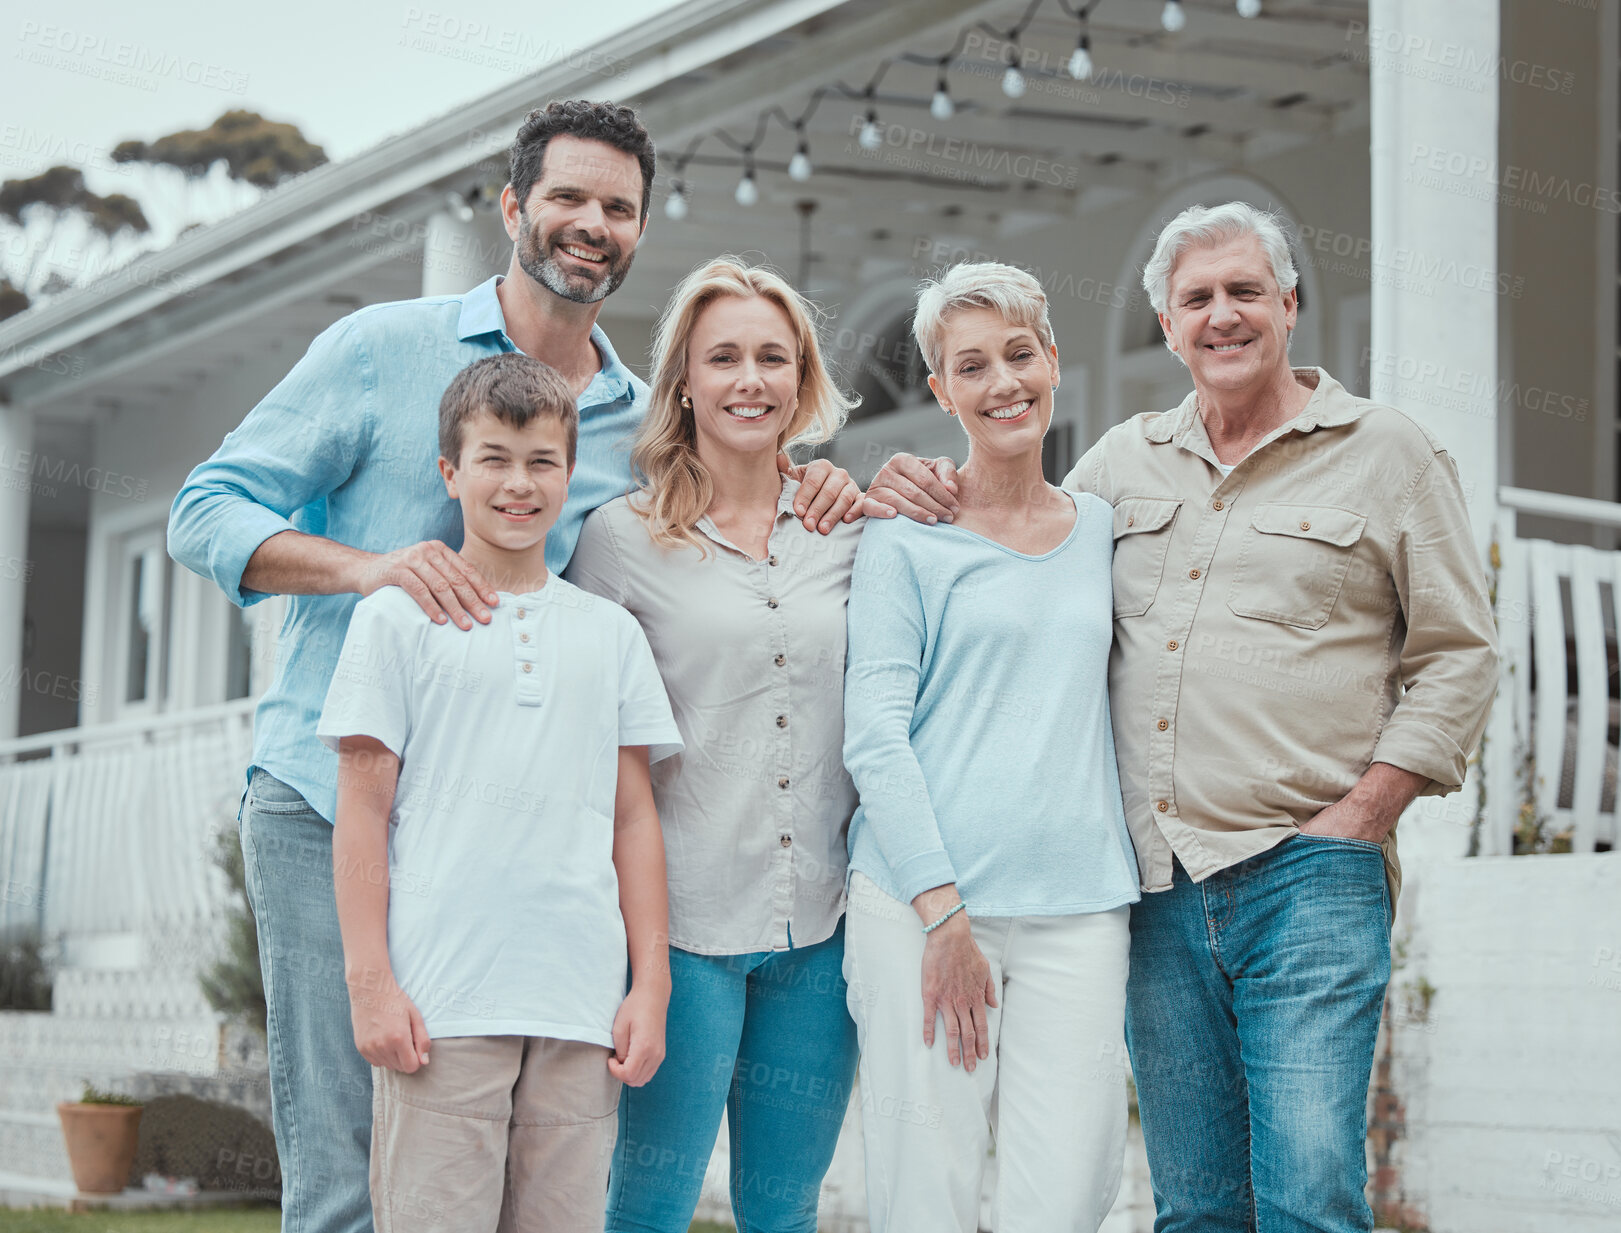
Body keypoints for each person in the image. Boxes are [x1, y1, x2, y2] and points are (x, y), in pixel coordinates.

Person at [166, 99, 859, 1233]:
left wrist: (829, 482)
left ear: (639, 231)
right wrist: (368, 571)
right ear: (512, 208)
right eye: (569, 197)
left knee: (505, 1187)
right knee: (348, 1173)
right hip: (325, 801)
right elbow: (205, 510)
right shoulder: (379, 351)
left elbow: (735, 501)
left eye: (618, 208)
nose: (591, 223)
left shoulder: (635, 426)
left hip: (507, 864)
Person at [867, 204, 1499, 1233]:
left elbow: (1459, 652)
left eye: (1245, 291)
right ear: (1166, 326)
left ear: (1289, 307)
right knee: (1196, 1205)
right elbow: (1017, 560)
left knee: (1305, 1194)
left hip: (1307, 874)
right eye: (1196, 299)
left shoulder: (1388, 451)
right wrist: (902, 481)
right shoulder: (1121, 465)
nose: (1222, 316)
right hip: (1155, 887)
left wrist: (1365, 815)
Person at [319, 353, 681, 1232]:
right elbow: (361, 810)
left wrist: (651, 985)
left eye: (542, 461)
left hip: (578, 1004)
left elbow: (633, 818)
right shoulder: (396, 617)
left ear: (568, 473)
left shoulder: (610, 632)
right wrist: (370, 979)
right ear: (450, 471)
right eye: (494, 458)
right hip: (441, 1007)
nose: (518, 484)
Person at [841, 262, 1140, 1233]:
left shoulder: (1101, 526)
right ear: (940, 390)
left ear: (1052, 359)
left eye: (1019, 354)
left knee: (1066, 1197)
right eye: (971, 366)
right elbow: (874, 736)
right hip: (923, 909)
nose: (1002, 382)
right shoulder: (903, 537)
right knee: (925, 1192)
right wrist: (942, 916)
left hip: (1079, 909)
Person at [566, 257, 862, 1233]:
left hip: (819, 928)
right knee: (647, 1207)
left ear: (801, 379)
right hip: (679, 932)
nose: (749, 380)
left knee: (786, 1211)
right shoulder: (617, 540)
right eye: (723, 357)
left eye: (772, 358)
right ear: (683, 383)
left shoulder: (847, 528)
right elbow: (580, 745)